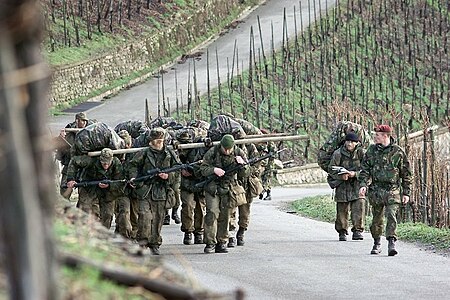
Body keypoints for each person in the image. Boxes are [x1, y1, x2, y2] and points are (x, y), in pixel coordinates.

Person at [359, 124, 412, 256]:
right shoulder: (371, 151)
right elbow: (365, 169)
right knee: (376, 219)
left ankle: (391, 242)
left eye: (377, 135)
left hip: (392, 190)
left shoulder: (398, 152)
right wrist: (363, 185)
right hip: (376, 190)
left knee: (391, 215)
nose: (375, 137)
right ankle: (377, 242)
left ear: (385, 136)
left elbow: (406, 174)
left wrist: (406, 192)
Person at [128, 128, 178, 255]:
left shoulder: (169, 153)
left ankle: (154, 243)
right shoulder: (144, 153)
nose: (158, 142)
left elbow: (177, 169)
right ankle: (142, 243)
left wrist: (168, 176)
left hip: (161, 190)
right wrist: (134, 178)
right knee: (144, 216)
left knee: (158, 218)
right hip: (145, 189)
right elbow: (132, 165)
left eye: (161, 140)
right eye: (156, 140)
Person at [200, 134, 249, 253]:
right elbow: (202, 169)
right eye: (225, 149)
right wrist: (213, 170)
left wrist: (242, 165)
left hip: (229, 187)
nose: (227, 151)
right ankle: (210, 242)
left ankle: (222, 241)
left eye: (229, 149)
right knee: (212, 213)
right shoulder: (213, 152)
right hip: (213, 187)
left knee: (226, 215)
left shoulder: (239, 152)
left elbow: (246, 173)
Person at [66, 148, 124, 229]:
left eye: (108, 163)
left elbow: (120, 182)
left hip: (107, 191)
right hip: (90, 187)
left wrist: (109, 186)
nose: (106, 166)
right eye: (103, 163)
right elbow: (74, 161)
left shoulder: (116, 163)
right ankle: (84, 233)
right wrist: (71, 178)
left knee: (108, 214)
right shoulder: (90, 160)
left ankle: (103, 236)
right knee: (87, 211)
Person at [328, 132, 365, 241]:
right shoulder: (338, 154)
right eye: (348, 141)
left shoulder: (361, 153)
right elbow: (331, 169)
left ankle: (358, 231)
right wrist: (341, 176)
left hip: (357, 184)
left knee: (359, 206)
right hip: (342, 185)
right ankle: (342, 231)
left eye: (352, 142)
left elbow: (367, 169)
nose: (349, 144)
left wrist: (355, 174)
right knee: (342, 209)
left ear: (356, 143)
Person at [176, 130, 206, 245]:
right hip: (186, 183)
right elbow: (174, 162)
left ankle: (199, 232)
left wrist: (195, 172)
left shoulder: (200, 147)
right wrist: (181, 169)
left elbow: (205, 162)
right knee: (187, 206)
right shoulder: (177, 148)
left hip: (199, 180)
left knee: (200, 208)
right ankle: (188, 231)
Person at [55, 112, 90, 199]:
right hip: (69, 165)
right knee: (64, 192)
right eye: (82, 121)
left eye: (85, 121)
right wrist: (61, 138)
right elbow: (57, 144)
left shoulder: (89, 132)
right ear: (77, 121)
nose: (84, 123)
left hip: (83, 167)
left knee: (85, 196)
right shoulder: (68, 132)